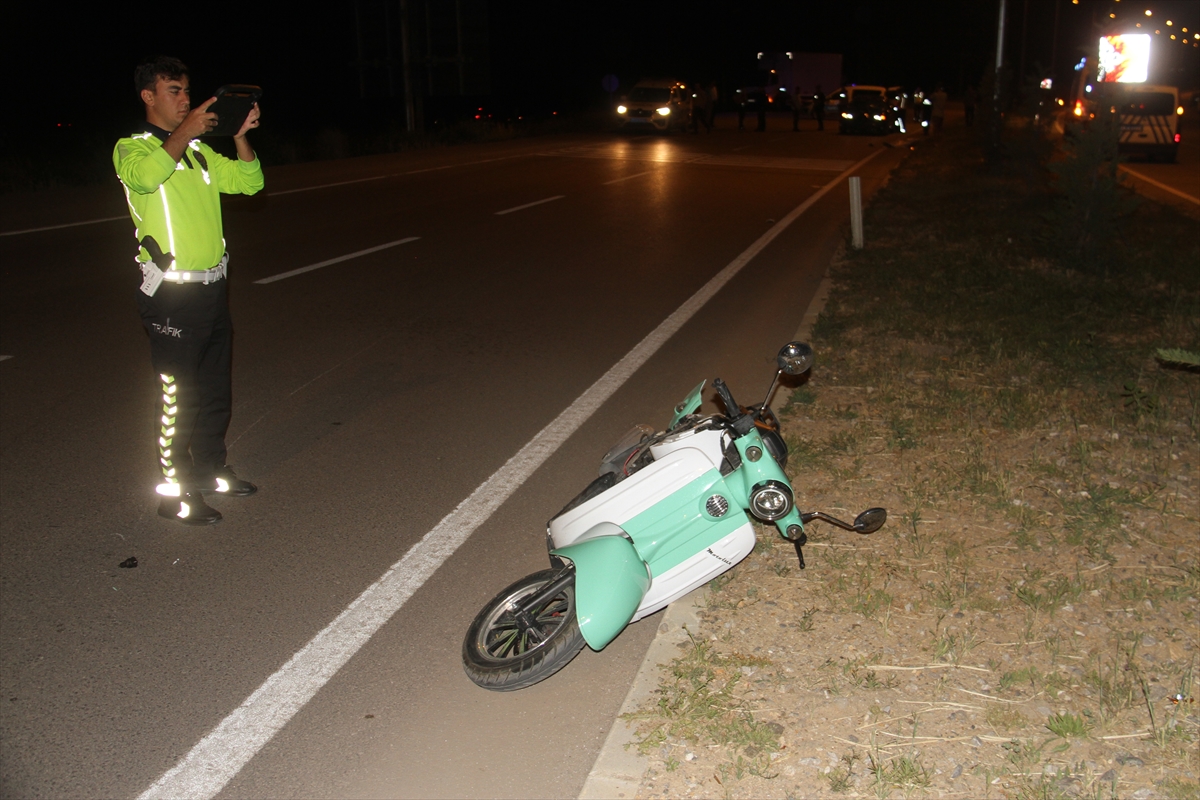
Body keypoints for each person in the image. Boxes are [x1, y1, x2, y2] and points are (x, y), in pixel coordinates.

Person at [113, 56, 263, 526]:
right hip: (171, 297)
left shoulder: (198, 153)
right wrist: (186, 132)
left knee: (216, 388)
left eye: (186, 91)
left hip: (213, 289)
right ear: (148, 96)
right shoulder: (131, 148)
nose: (185, 100)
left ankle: (212, 470)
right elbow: (146, 178)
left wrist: (239, 133)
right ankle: (174, 494)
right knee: (181, 396)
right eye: (174, 91)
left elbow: (249, 183)